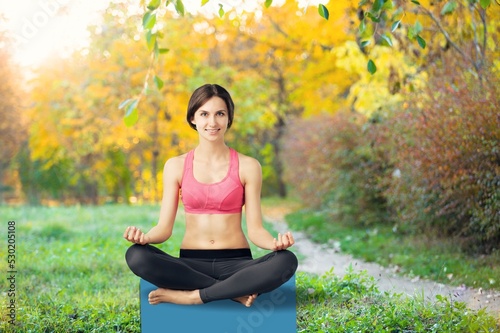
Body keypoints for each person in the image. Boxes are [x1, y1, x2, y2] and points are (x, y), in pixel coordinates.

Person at [124, 84, 298, 307]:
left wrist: (275, 244)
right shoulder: (175, 166)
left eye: (220, 114)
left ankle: (194, 296)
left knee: (286, 261)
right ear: (193, 118)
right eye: (204, 114)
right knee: (136, 255)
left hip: (237, 265)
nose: (212, 122)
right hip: (190, 264)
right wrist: (145, 238)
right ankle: (233, 291)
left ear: (228, 118)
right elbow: (163, 229)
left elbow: (255, 230)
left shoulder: (248, 166)